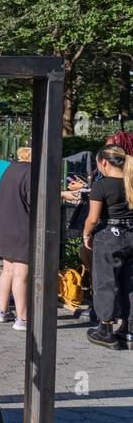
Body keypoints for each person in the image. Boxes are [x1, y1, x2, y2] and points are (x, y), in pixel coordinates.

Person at [84, 145, 133, 349]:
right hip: (131, 235)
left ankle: (105, 329)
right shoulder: (130, 182)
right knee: (130, 283)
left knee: (105, 281)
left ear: (104, 162)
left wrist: (86, 234)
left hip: (110, 236)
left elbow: (93, 218)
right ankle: (128, 330)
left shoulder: (101, 186)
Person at [0, 146, 32, 331]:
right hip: (21, 227)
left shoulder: (9, 169)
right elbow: (34, 201)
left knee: (7, 271)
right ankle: (22, 318)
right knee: (21, 274)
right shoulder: (31, 172)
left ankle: (2, 310)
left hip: (3, 227)